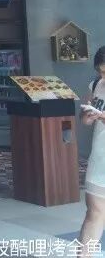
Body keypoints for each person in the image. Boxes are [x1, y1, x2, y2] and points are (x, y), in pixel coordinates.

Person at [80, 46, 105, 253]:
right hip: (100, 157)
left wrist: (103, 116)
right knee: (94, 213)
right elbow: (85, 118)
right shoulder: (96, 84)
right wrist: (87, 117)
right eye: (101, 71)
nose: (103, 76)